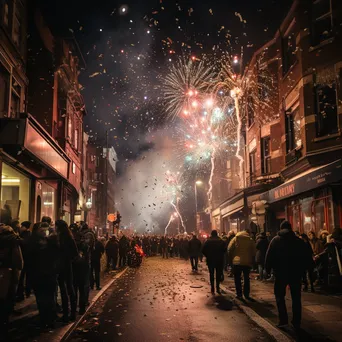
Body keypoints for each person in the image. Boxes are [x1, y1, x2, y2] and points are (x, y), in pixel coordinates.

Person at [265, 221, 313, 330]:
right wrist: (305, 272)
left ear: (281, 229)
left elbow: (269, 256)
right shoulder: (298, 241)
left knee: (279, 296)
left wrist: (267, 270)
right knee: (296, 298)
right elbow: (306, 257)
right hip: (296, 273)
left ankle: (283, 320)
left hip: (280, 273)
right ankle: (296, 322)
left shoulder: (275, 241)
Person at [27, 222, 59, 329]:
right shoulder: (35, 243)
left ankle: (47, 319)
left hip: (45, 274)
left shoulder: (49, 242)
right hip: (42, 274)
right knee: (44, 297)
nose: (44, 232)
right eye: (41, 230)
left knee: (46, 297)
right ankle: (46, 319)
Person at [0, 225, 23, 340]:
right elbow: (18, 259)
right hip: (10, 271)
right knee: (9, 296)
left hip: (2, 269)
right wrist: (19, 269)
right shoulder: (14, 241)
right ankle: (5, 322)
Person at [55, 220, 78, 323]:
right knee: (70, 289)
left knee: (64, 290)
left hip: (61, 266)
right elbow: (75, 253)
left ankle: (65, 313)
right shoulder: (69, 237)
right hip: (68, 265)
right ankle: (72, 313)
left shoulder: (58, 238)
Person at [228, 230, 256, 300]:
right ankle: (246, 294)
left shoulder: (235, 239)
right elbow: (254, 251)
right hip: (247, 262)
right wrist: (252, 259)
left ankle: (239, 294)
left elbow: (229, 249)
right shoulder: (250, 240)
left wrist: (231, 259)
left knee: (237, 278)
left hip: (237, 262)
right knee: (246, 278)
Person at [16, 221, 32, 301]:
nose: (21, 228)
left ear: (25, 227)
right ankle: (26, 292)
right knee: (26, 276)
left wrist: (18, 238)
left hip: (25, 258)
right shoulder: (29, 234)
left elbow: (24, 243)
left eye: (22, 226)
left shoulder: (27, 235)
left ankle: (22, 294)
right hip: (27, 258)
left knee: (22, 277)